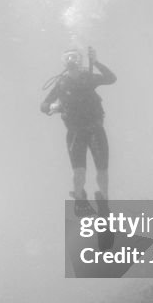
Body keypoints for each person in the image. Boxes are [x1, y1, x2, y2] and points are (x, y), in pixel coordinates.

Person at [40, 47, 116, 207]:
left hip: (95, 129)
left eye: (74, 57)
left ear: (80, 60)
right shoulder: (61, 84)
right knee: (79, 172)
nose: (70, 60)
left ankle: (104, 201)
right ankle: (80, 200)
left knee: (102, 170)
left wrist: (96, 63)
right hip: (75, 132)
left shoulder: (88, 77)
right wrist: (53, 106)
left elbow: (111, 78)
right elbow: (43, 105)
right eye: (67, 57)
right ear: (63, 62)